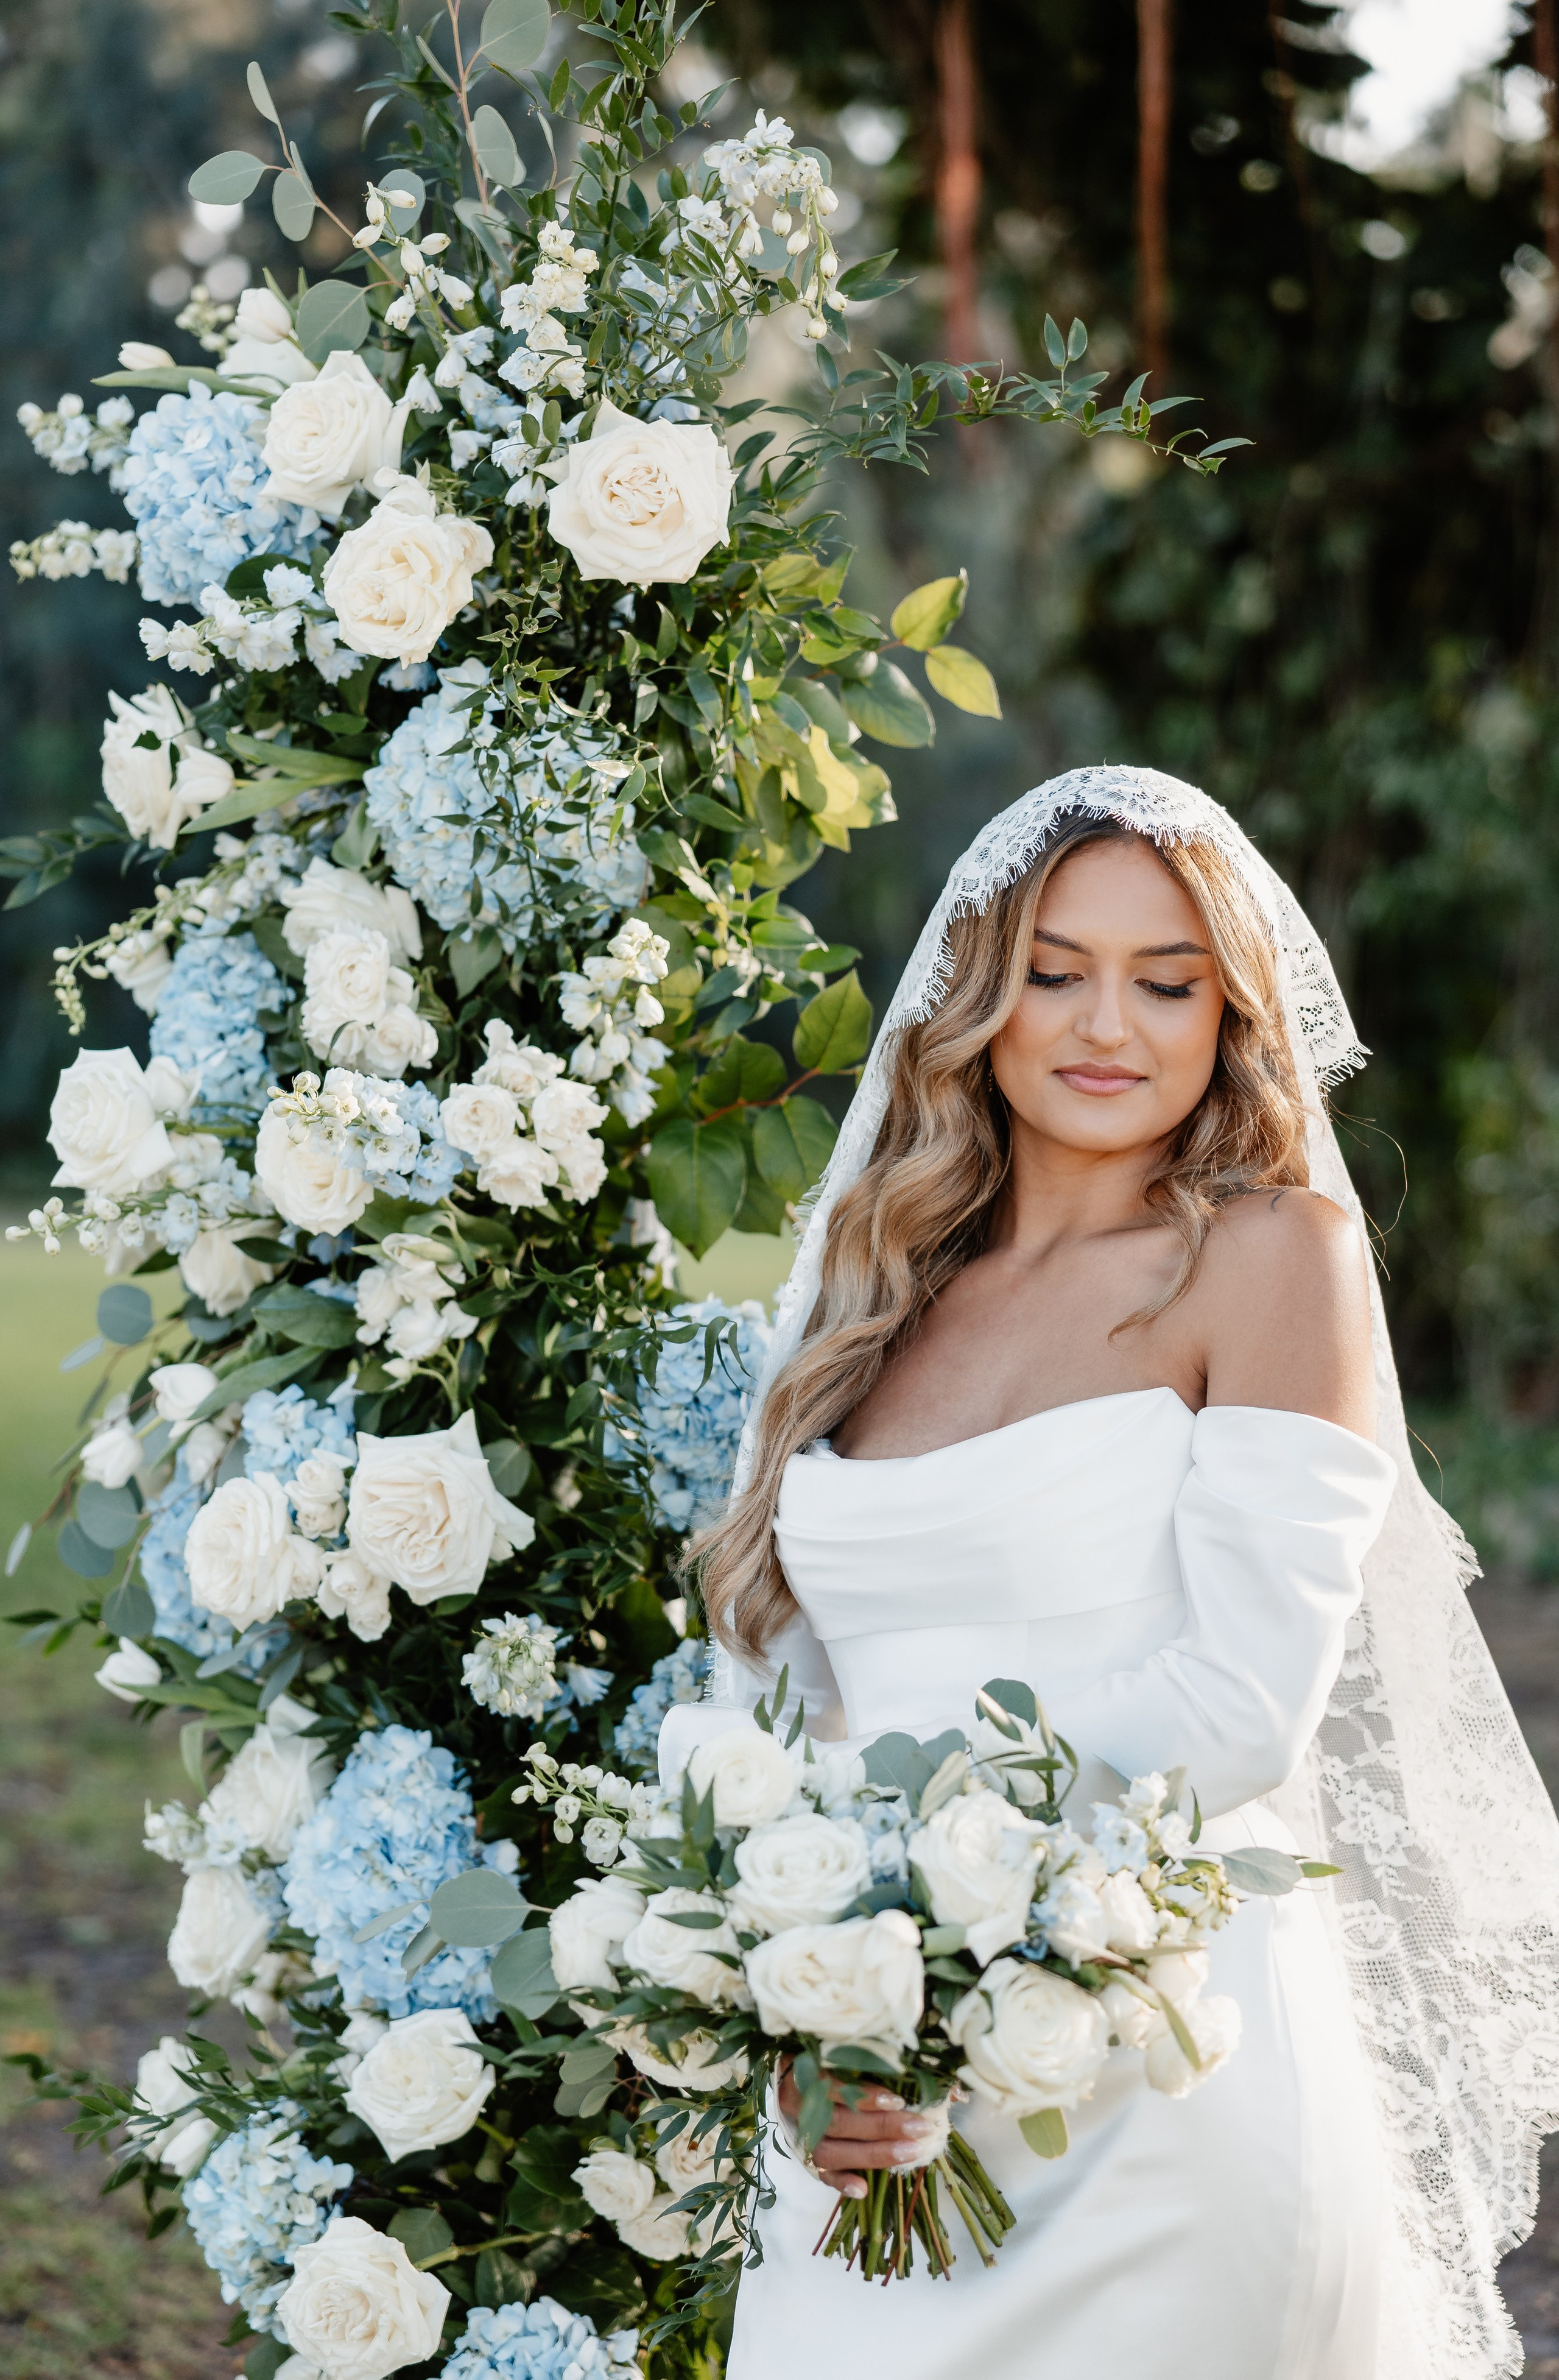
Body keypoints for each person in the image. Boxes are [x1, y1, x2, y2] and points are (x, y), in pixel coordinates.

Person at [658, 769, 1559, 2380]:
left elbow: (1241, 1700)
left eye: (1169, 981)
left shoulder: (1276, 1255)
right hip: (876, 2083)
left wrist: (940, 1929)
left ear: (1232, 1012)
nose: (1106, 1024)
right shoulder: (879, 1277)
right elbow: (778, 1685)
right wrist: (813, 1994)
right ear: (981, 992)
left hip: (1154, 2074)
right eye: (1057, 968)